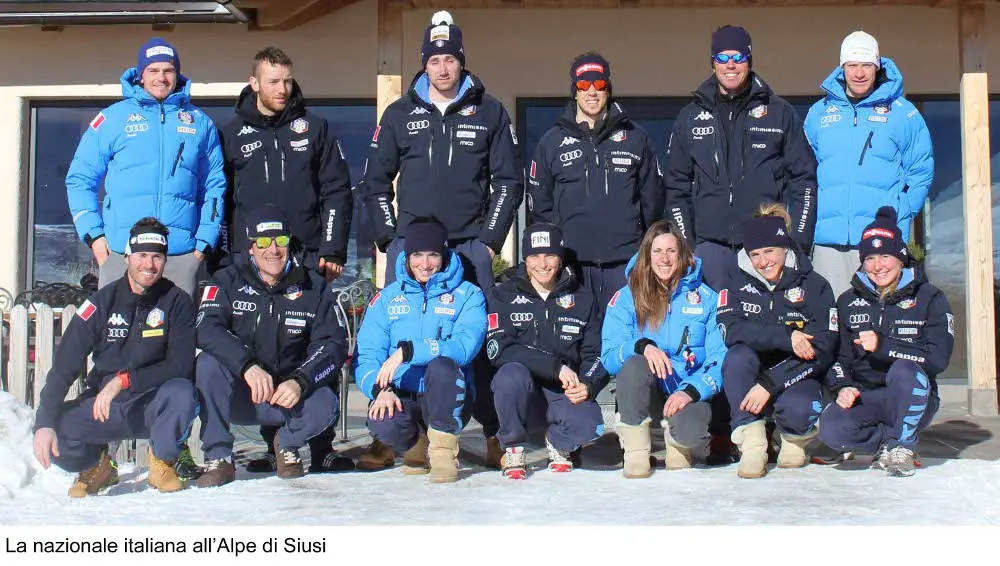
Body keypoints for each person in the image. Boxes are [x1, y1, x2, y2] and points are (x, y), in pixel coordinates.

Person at [359, 10, 520, 468]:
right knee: (396, 335)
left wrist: (489, 241)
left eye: (450, 59)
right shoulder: (399, 113)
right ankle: (391, 434)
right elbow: (373, 182)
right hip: (410, 252)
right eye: (434, 60)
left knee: (482, 342)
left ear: (461, 61)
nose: (443, 68)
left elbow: (508, 182)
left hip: (470, 245)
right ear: (423, 64)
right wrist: (390, 238)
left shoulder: (488, 111)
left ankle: (494, 433)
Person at [663, 25, 817, 463]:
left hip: (763, 252)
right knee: (716, 339)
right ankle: (720, 432)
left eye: (738, 57)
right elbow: (675, 187)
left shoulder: (779, 112)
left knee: (767, 334)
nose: (731, 65)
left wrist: (795, 242)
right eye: (723, 58)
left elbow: (803, 180)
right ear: (712, 63)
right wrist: (687, 243)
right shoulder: (690, 117)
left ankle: (768, 427)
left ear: (749, 60)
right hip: (709, 248)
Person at [218, 46, 355, 474]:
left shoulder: (314, 128)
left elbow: (336, 190)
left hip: (306, 255)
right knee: (263, 342)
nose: (282, 89)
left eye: (287, 80)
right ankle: (277, 440)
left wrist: (332, 249)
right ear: (254, 83)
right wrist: (227, 254)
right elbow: (219, 200)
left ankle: (321, 444)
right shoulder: (231, 133)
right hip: (251, 259)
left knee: (315, 343)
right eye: (273, 81)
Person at [32, 218, 197, 497]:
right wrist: (43, 423)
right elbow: (65, 365)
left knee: (183, 393)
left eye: (157, 256)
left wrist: (125, 380)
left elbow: (180, 365)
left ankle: (162, 459)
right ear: (128, 256)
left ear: (165, 260)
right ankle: (98, 465)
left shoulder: (177, 301)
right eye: (142, 255)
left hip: (151, 403)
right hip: (104, 407)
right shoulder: (100, 303)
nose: (149, 264)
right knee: (55, 428)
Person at [193, 205, 348, 486]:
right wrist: (246, 365)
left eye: (281, 241)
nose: (273, 250)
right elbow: (206, 328)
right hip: (245, 395)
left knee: (326, 402)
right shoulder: (226, 280)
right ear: (251, 247)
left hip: (290, 396)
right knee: (207, 363)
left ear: (290, 244)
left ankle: (286, 443)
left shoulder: (314, 285)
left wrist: (301, 381)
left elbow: (333, 344)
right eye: (263, 242)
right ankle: (219, 456)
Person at [66, 37, 226, 297]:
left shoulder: (199, 123)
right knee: (117, 333)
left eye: (168, 70)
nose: (161, 78)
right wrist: (94, 237)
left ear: (177, 74)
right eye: (153, 70)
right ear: (140, 75)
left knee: (177, 335)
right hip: (122, 253)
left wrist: (203, 245)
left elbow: (214, 187)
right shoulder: (112, 118)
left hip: (180, 256)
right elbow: (80, 179)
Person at [818, 206, 953, 477]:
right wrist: (842, 385)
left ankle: (902, 445)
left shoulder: (930, 298)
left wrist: (885, 345)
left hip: (912, 394)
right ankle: (890, 442)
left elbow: (938, 359)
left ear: (901, 257)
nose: (877, 266)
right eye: (869, 258)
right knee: (831, 428)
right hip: (867, 395)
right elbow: (838, 358)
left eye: (885, 255)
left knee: (904, 370)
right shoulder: (846, 301)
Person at [354, 217, 487, 483]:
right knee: (384, 423)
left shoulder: (469, 294)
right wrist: (380, 390)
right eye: (417, 255)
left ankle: (442, 452)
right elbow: (367, 355)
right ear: (407, 255)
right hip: (401, 391)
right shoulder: (387, 298)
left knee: (443, 366)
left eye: (433, 255)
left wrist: (410, 350)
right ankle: (415, 444)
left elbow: (464, 347)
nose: (425, 264)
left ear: (444, 254)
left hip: (445, 393)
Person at [526, 53, 664, 311]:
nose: (592, 92)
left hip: (625, 263)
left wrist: (643, 252)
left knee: (625, 335)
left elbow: (652, 200)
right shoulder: (551, 142)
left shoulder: (637, 138)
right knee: (575, 344)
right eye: (584, 86)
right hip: (572, 263)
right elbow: (540, 208)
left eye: (599, 85)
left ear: (608, 90)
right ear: (574, 92)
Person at [804, 31, 934, 298]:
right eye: (852, 65)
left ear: (877, 67)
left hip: (881, 241)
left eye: (866, 65)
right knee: (832, 323)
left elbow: (921, 171)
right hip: (829, 243)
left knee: (881, 325)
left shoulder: (902, 113)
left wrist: (901, 215)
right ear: (842, 68)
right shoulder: (819, 114)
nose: (859, 73)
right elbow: (804, 173)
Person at [716, 204, 837, 478]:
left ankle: (794, 439)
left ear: (785, 247)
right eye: (755, 254)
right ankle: (753, 442)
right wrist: (787, 336)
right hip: (751, 371)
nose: (762, 261)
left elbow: (823, 348)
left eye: (769, 251)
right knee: (736, 358)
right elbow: (731, 329)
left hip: (795, 373)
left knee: (800, 410)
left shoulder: (815, 285)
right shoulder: (735, 280)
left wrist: (770, 383)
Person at [601, 220, 728, 479]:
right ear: (647, 255)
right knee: (635, 365)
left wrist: (692, 390)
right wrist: (641, 346)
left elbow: (720, 357)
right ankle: (636, 452)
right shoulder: (627, 297)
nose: (664, 259)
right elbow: (609, 355)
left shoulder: (706, 298)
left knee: (690, 431)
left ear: (681, 254)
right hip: (647, 393)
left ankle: (678, 444)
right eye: (657, 251)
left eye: (671, 251)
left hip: (686, 393)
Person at [486, 223, 608, 479]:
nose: (542, 264)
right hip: (522, 395)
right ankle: (512, 447)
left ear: (560, 258)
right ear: (525, 260)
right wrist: (554, 366)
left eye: (550, 255)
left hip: (561, 394)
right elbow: (499, 350)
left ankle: (558, 441)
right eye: (534, 256)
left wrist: (588, 383)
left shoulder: (583, 298)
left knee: (590, 425)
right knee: (510, 375)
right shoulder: (502, 295)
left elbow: (596, 352)